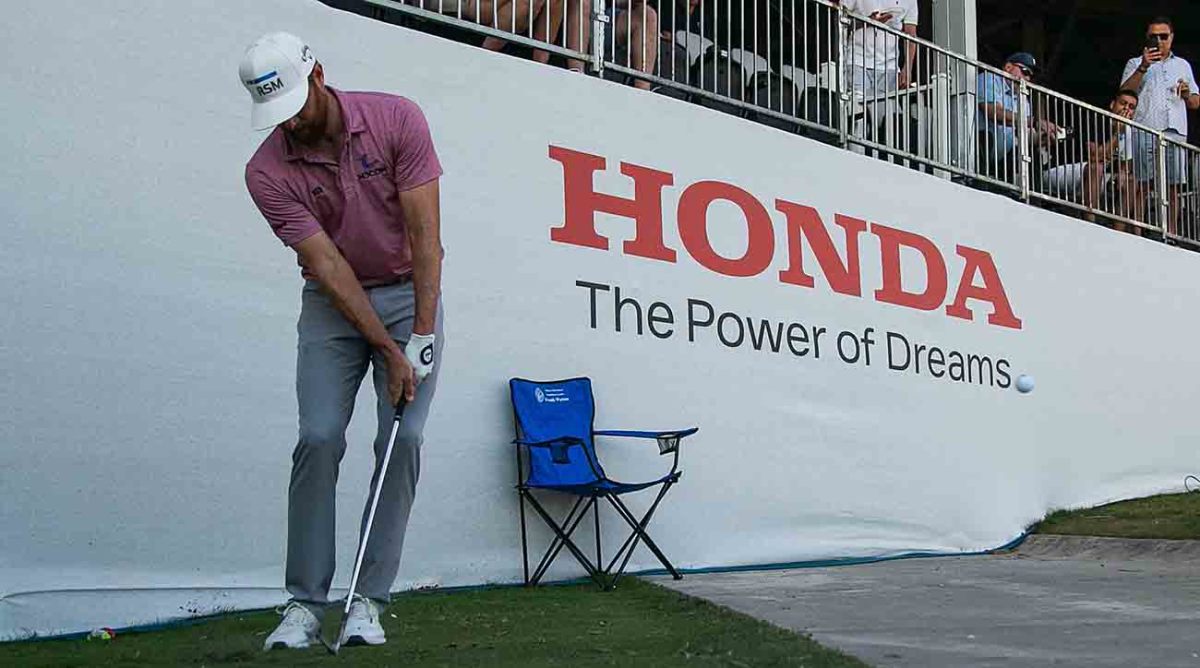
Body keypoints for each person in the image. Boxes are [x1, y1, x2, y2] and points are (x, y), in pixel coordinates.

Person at [239, 32, 445, 650]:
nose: (293, 124)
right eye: (278, 116)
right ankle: (304, 605)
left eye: (298, 106)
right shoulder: (266, 172)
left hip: (412, 292)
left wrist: (422, 337)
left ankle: (368, 603)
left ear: (320, 75)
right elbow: (327, 267)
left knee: (402, 438)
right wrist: (386, 350)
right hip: (334, 305)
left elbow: (425, 236)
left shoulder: (396, 119)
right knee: (319, 437)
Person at [1120, 16, 1200, 236]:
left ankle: (1171, 233)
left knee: (1173, 186)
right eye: (1153, 37)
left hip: (1175, 131)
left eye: (1163, 36)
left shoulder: (1182, 65)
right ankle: (1138, 229)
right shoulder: (1135, 62)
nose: (1159, 41)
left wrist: (1186, 94)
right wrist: (1144, 66)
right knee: (1142, 184)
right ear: (1147, 38)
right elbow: (1125, 92)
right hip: (1145, 127)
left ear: (1171, 38)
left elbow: (1195, 102)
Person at [976, 52, 1060, 185]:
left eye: (1030, 76)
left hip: (1003, 155)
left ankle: (1033, 202)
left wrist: (1043, 138)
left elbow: (1025, 134)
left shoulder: (1023, 100)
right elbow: (994, 113)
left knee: (1032, 155)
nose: (1027, 78)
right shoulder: (989, 78)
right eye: (1025, 72)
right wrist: (1035, 122)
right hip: (981, 148)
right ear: (1008, 67)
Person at [1083, 90, 1140, 232]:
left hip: (1103, 177)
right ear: (1112, 104)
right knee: (1097, 168)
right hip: (1072, 169)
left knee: (1132, 179)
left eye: (1131, 107)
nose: (1126, 109)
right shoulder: (1096, 119)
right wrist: (1117, 133)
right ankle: (1089, 224)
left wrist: (1123, 173)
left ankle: (1119, 231)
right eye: (1123, 103)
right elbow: (1095, 157)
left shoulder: (1128, 130)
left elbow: (1125, 166)